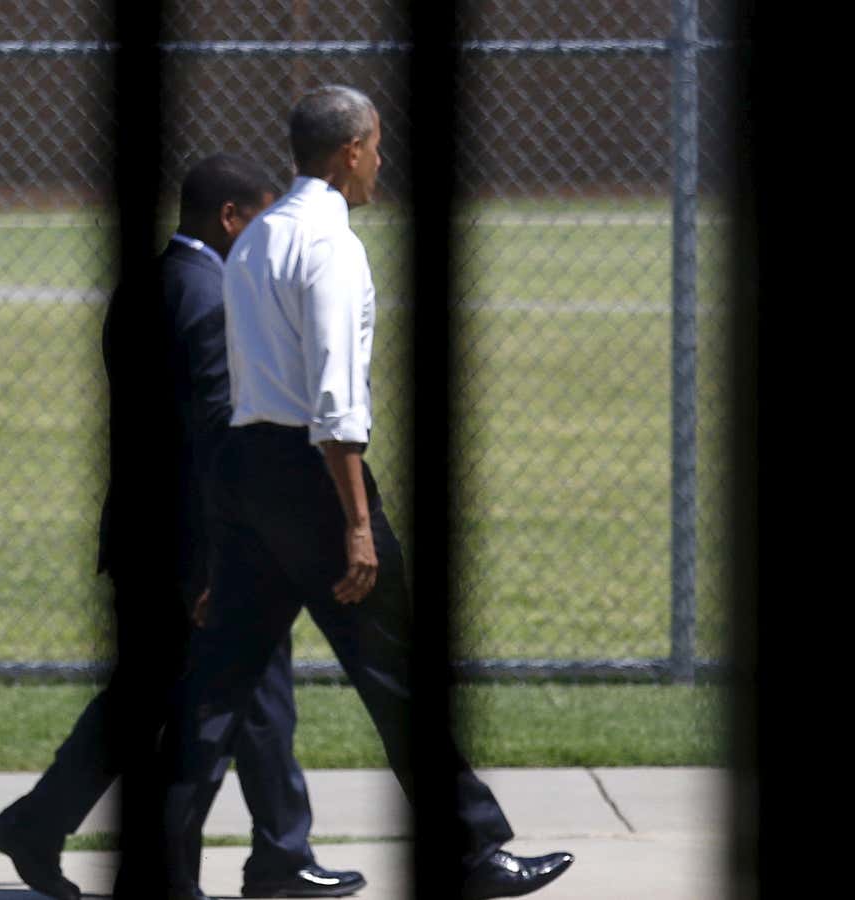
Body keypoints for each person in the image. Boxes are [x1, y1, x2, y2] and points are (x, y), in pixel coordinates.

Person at [156, 86, 576, 900]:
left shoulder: (253, 240)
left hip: (243, 477)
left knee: (216, 689)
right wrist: (355, 522)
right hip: (316, 482)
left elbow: (241, 389)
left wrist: (221, 530)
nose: (381, 160)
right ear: (350, 151)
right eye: (377, 145)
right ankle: (475, 851)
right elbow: (335, 399)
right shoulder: (330, 245)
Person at [0, 153, 366, 900]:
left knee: (185, 699)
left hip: (141, 530)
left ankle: (49, 825)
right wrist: (219, 561)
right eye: (257, 221)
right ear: (230, 218)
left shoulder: (146, 285)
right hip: (203, 542)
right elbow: (212, 440)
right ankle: (259, 860)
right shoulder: (216, 297)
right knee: (229, 701)